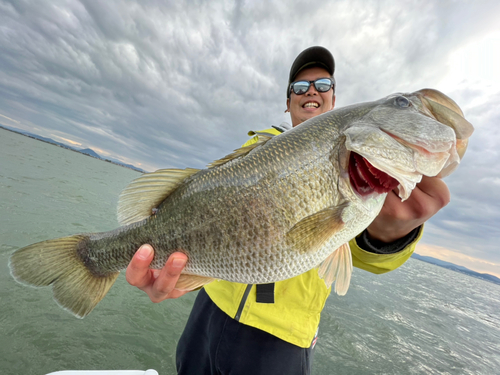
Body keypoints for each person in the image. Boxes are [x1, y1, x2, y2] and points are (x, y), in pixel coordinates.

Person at [125, 46, 450, 374]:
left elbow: (363, 254)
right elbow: (200, 203)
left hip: (282, 338)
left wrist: (389, 236)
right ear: (287, 102)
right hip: (210, 308)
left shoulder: (366, 169)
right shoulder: (254, 149)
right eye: (299, 86)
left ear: (333, 100)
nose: (311, 91)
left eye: (323, 84)